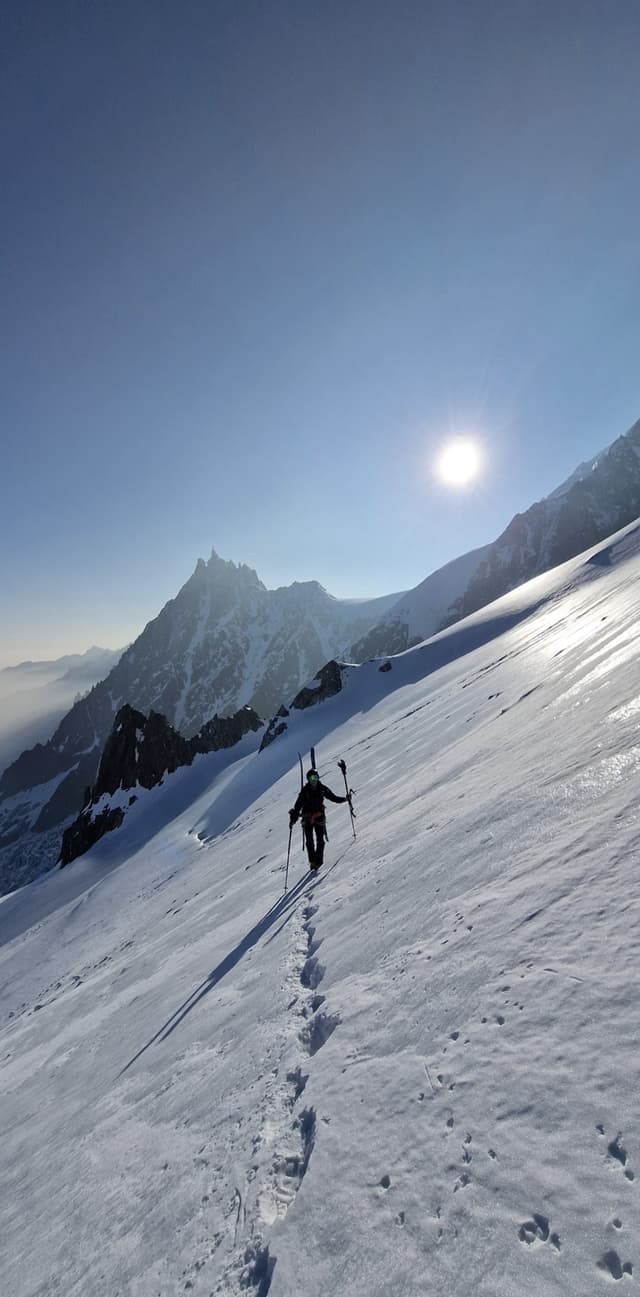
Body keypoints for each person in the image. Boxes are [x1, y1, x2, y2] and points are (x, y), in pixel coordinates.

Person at [289, 769, 350, 871]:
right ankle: (313, 862)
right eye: (311, 778)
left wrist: (345, 799)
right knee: (309, 842)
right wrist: (293, 819)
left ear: (318, 777)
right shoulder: (305, 791)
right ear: (308, 779)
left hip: (318, 817)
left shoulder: (322, 789)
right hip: (307, 818)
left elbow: (333, 798)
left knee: (320, 840)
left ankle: (319, 862)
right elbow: (297, 806)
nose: (314, 780)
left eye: (315, 777)